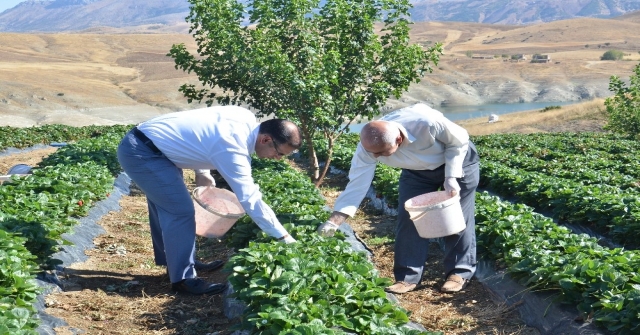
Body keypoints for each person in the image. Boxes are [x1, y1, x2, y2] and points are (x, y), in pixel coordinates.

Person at [117, 105, 301, 295]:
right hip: (142, 153)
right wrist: (283, 237)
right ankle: (183, 279)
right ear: (266, 139)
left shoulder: (243, 116)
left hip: (153, 145)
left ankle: (177, 260)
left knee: (166, 204)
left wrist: (201, 170)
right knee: (180, 211)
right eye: (279, 153)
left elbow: (202, 131)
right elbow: (250, 199)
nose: (278, 159)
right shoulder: (233, 148)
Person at [317, 103, 479, 294]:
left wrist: (451, 176)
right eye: (372, 152)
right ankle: (407, 277)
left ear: (399, 139)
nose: (375, 156)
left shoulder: (426, 122)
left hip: (457, 163)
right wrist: (334, 221)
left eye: (381, 153)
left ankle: (459, 273)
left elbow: (459, 141)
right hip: (416, 172)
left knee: (456, 217)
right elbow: (357, 184)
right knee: (410, 218)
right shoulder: (368, 148)